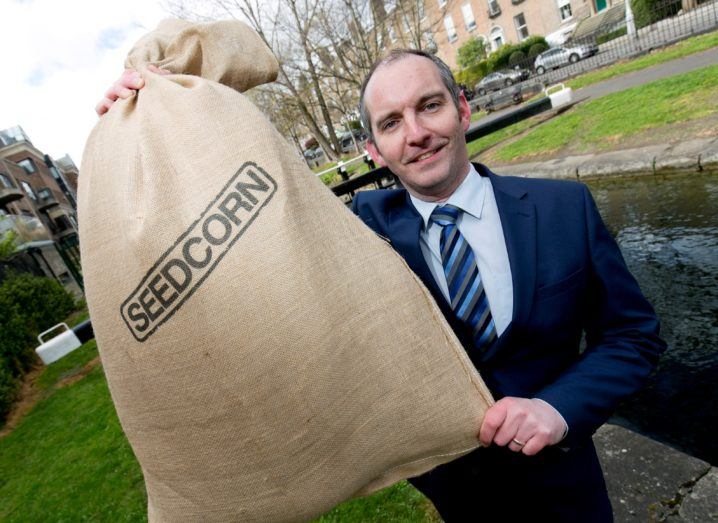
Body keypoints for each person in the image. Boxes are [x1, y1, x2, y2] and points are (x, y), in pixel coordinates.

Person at [97, 50, 666, 522]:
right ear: (372, 149)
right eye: (391, 123)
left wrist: (556, 408)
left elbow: (633, 337)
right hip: (456, 495)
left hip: (568, 489)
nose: (416, 134)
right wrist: (149, 112)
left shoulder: (565, 208)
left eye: (430, 106)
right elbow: (226, 211)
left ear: (462, 109)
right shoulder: (353, 229)